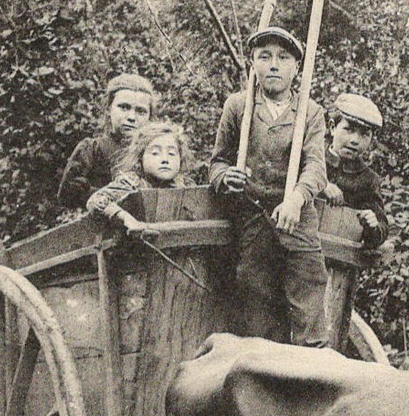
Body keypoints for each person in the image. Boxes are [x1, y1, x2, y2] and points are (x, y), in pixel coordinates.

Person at [208, 26, 330, 346]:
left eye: (283, 57)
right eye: (265, 57)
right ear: (253, 64)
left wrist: (297, 198)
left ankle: (311, 380)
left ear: (296, 68)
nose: (274, 64)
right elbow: (216, 162)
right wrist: (225, 177)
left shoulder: (310, 112)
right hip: (254, 218)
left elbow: (316, 167)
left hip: (297, 216)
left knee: (309, 305)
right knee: (257, 307)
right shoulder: (238, 106)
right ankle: (265, 382)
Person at [57, 73, 156, 210]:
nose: (132, 117)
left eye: (141, 111)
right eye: (124, 107)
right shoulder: (93, 149)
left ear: (150, 117)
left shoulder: (155, 152)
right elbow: (68, 193)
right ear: (109, 109)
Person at [84, 120, 192, 236]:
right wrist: (126, 219)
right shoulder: (131, 182)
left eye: (172, 153)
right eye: (155, 153)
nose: (165, 159)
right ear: (140, 158)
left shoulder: (186, 185)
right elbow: (96, 200)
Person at [323, 92, 389, 250]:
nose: (355, 140)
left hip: (341, 265)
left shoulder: (368, 179)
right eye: (349, 129)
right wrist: (319, 184)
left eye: (364, 134)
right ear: (332, 127)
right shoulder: (311, 158)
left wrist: (373, 225)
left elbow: (380, 231)